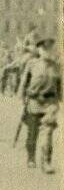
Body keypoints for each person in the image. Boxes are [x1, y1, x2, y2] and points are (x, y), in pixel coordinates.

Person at [19, 37, 60, 172]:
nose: (47, 52)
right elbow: (24, 82)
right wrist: (22, 98)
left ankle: (46, 162)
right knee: (32, 133)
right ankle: (31, 158)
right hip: (34, 102)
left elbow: (60, 85)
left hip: (50, 103)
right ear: (39, 50)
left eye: (50, 49)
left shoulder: (56, 66)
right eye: (44, 49)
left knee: (47, 132)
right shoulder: (32, 64)